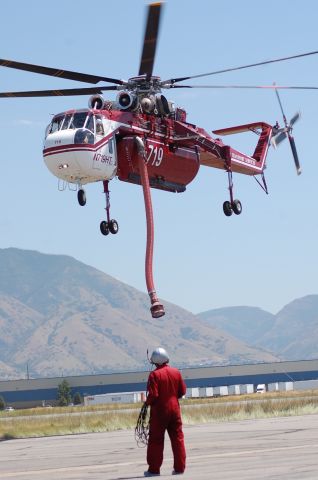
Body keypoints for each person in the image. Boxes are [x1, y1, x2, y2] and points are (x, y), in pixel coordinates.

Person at [144, 347, 186, 477]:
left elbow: (153, 395)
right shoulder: (176, 372)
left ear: (154, 361)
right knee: (178, 438)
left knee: (156, 440)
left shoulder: (154, 375)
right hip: (175, 411)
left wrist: (147, 403)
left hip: (160, 412)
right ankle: (179, 468)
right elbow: (182, 391)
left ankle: (154, 470)